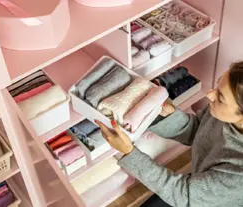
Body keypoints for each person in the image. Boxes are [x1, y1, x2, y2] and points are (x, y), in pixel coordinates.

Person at [95, 61, 243, 207]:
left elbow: (182, 195)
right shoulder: (223, 114)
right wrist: (166, 116)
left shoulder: (238, 175)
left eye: (221, 98)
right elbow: (199, 132)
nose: (210, 95)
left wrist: (129, 152)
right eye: (217, 85)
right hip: (200, 191)